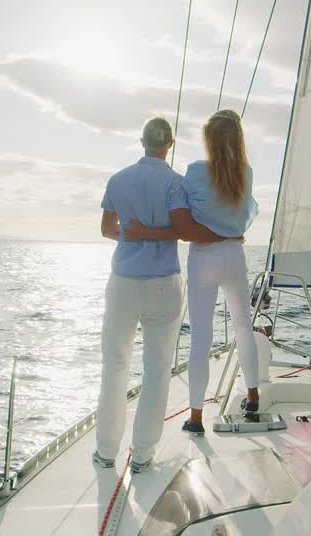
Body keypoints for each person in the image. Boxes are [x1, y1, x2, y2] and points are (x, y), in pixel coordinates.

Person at [94, 117, 231, 474]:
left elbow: (108, 229)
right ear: (169, 144)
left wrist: (132, 236)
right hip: (163, 285)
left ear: (141, 142)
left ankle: (105, 452)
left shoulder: (118, 180)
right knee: (156, 371)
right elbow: (184, 231)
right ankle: (142, 456)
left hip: (123, 283)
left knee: (114, 366)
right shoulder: (176, 183)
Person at [124, 109, 259, 436]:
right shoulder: (246, 172)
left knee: (201, 336)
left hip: (203, 258)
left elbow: (182, 216)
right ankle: (254, 397)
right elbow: (243, 216)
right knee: (243, 326)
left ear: (209, 140)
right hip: (234, 254)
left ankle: (196, 417)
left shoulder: (196, 171)